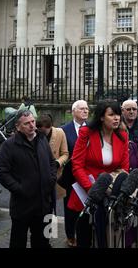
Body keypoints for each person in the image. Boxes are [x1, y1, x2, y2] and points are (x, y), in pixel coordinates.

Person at [67, 101, 129, 247]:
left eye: (118, 115)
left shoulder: (123, 136)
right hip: (87, 192)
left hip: (111, 193)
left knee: (108, 238)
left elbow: (125, 168)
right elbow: (76, 165)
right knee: (85, 237)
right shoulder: (86, 133)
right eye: (111, 115)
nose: (116, 118)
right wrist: (92, 189)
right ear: (101, 117)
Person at [0, 109, 57, 248]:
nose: (31, 125)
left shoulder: (42, 139)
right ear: (18, 127)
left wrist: (51, 179)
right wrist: (20, 188)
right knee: (18, 242)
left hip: (44, 204)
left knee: (44, 241)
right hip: (22, 206)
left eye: (33, 122)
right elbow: (1, 173)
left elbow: (52, 162)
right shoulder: (9, 145)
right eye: (26, 123)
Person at [60, 99, 89, 247]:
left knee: (87, 207)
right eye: (81, 109)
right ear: (73, 112)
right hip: (70, 177)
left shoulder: (93, 129)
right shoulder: (64, 130)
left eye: (87, 109)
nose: (85, 111)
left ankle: (86, 234)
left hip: (88, 175)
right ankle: (70, 235)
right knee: (70, 208)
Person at [36, 114, 69, 201]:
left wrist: (58, 163)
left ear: (50, 126)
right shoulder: (34, 133)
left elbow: (65, 154)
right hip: (37, 176)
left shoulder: (60, 133)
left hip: (53, 175)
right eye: (39, 130)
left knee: (51, 203)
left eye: (44, 131)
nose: (41, 134)